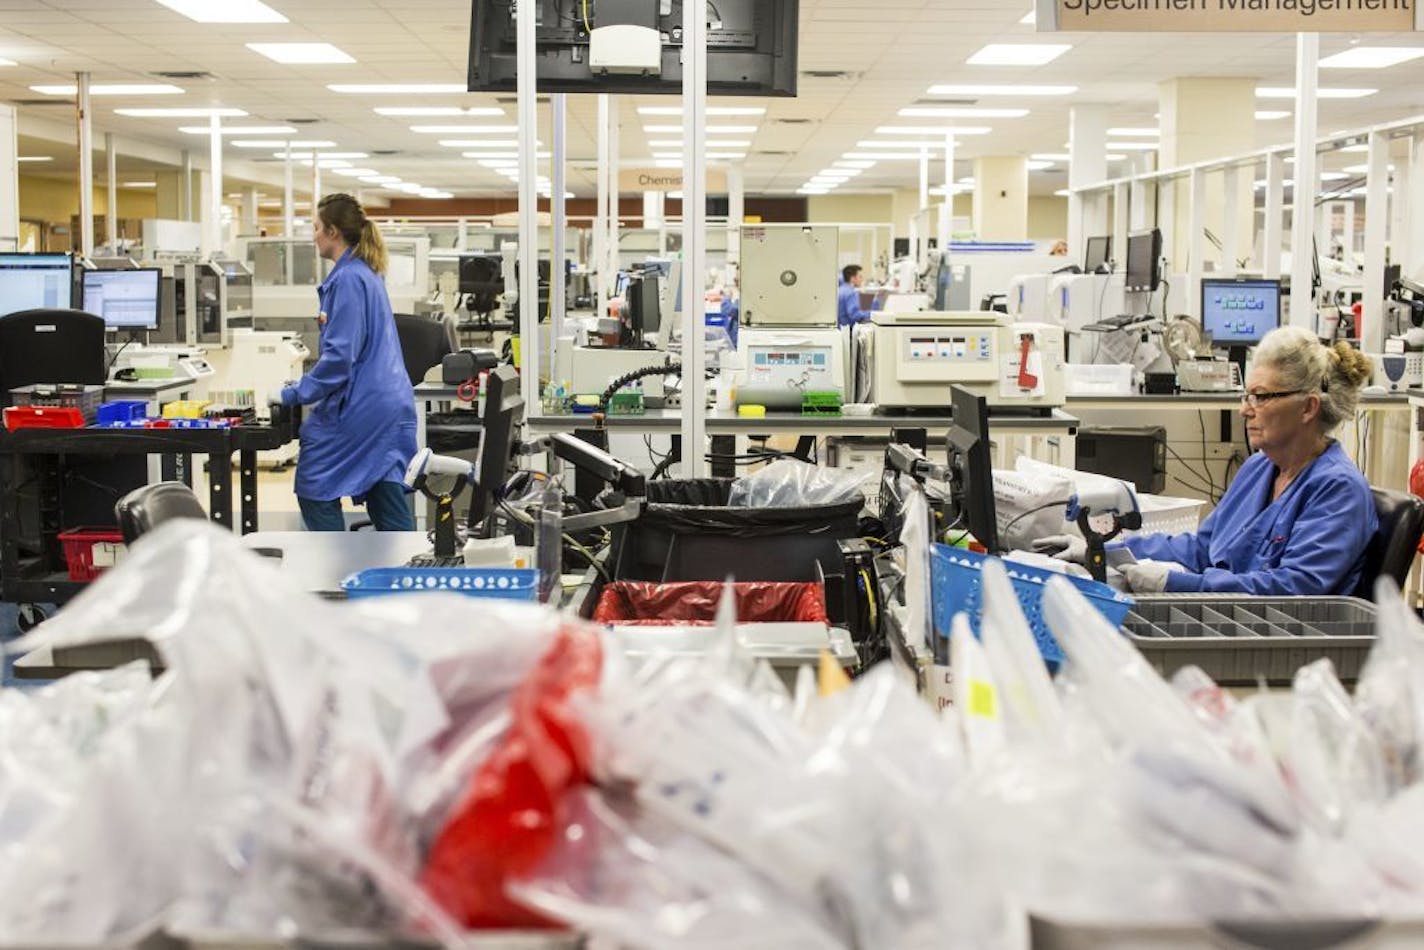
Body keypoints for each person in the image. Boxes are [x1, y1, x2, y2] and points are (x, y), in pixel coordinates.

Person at [1035, 327, 1377, 595]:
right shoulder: (1260, 467)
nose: (1245, 409)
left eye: (1261, 397)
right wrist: (1103, 548)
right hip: (1232, 621)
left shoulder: (1337, 490)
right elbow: (1203, 547)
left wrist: (1177, 584)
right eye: (1247, 396)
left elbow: (1290, 589)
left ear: (1308, 408)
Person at [279, 193, 418, 532]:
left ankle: (333, 568)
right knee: (384, 487)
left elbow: (340, 360)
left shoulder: (348, 280)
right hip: (388, 403)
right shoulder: (365, 273)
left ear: (333, 232)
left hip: (363, 406)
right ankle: (407, 572)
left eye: (316, 228)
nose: (313, 236)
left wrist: (294, 393)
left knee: (314, 482)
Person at [837, 264, 875, 328]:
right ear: (853, 278)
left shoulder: (840, 289)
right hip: (848, 329)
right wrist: (872, 313)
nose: (862, 279)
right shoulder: (850, 292)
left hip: (840, 328)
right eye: (860, 276)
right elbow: (854, 315)